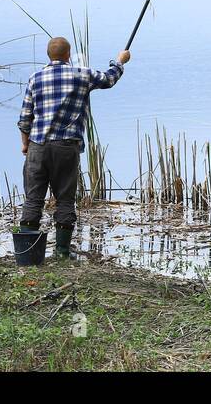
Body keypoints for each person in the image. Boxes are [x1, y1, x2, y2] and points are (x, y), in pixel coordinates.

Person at [16, 36, 131, 260]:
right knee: (65, 200)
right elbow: (109, 79)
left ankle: (27, 254)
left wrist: (25, 143)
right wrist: (120, 61)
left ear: (49, 55)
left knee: (33, 199)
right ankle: (61, 253)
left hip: (37, 147)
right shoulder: (81, 74)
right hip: (66, 148)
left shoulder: (35, 77)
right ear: (68, 56)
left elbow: (24, 118)